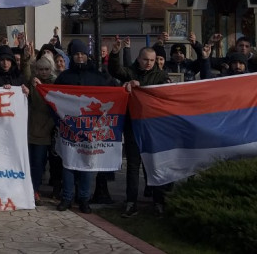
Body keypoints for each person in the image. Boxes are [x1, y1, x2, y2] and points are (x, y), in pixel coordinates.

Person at [108, 39, 171, 218]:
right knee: (133, 167)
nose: (148, 63)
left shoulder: (160, 75)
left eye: (152, 60)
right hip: (133, 126)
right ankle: (131, 202)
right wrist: (115, 53)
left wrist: (140, 87)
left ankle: (159, 202)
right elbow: (115, 70)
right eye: (145, 60)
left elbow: (165, 93)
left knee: (155, 165)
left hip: (153, 128)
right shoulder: (131, 72)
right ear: (139, 58)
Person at [54, 38, 115, 214]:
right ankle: (67, 197)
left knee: (87, 164)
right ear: (71, 57)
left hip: (90, 128)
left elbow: (109, 95)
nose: (79, 57)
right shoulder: (64, 77)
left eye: (82, 54)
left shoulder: (97, 76)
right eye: (76, 54)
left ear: (87, 56)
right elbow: (53, 97)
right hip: (69, 128)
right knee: (68, 164)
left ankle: (84, 199)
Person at [28, 56, 57, 205]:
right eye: (41, 69)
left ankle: (36, 190)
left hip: (46, 130)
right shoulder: (30, 83)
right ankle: (30, 190)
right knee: (30, 162)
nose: (44, 72)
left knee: (39, 163)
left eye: (46, 69)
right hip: (30, 129)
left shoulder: (55, 84)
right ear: (36, 70)